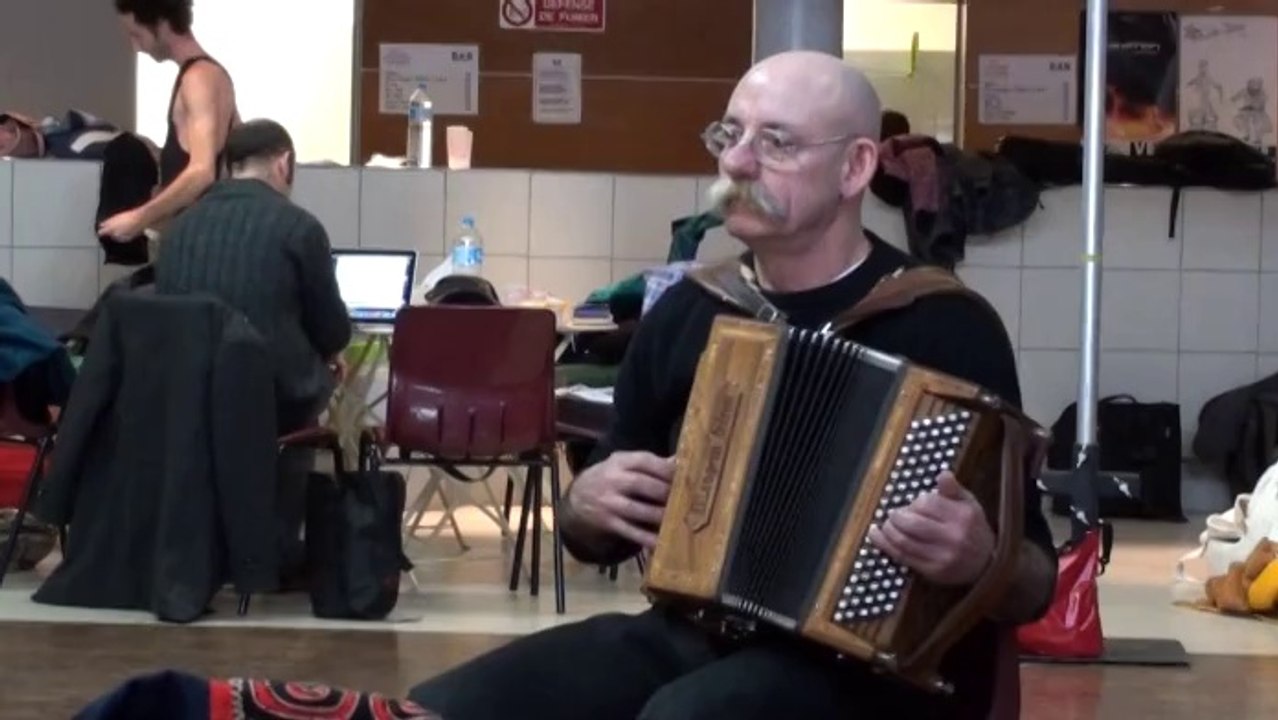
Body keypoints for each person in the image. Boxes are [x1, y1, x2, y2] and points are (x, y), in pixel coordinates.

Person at [407, 51, 1059, 720]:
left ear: (856, 167)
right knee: (443, 708)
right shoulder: (689, 311)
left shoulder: (945, 325)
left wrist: (981, 559)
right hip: (694, 636)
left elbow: (1034, 580)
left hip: (873, 675)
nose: (739, 163)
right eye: (729, 134)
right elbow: (590, 532)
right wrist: (585, 503)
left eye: (775, 142)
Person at [153, 119, 351, 581]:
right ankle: (273, 549)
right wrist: (330, 356)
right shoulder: (299, 227)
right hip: (271, 398)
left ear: (227, 167)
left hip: (187, 394)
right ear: (284, 163)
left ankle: (215, 547)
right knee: (311, 387)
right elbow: (332, 329)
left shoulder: (179, 229)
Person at [99, 0, 240, 244]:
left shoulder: (199, 79)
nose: (135, 47)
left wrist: (138, 218)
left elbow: (202, 172)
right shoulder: (210, 76)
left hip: (198, 250)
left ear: (161, 24)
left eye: (136, 35)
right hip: (198, 243)